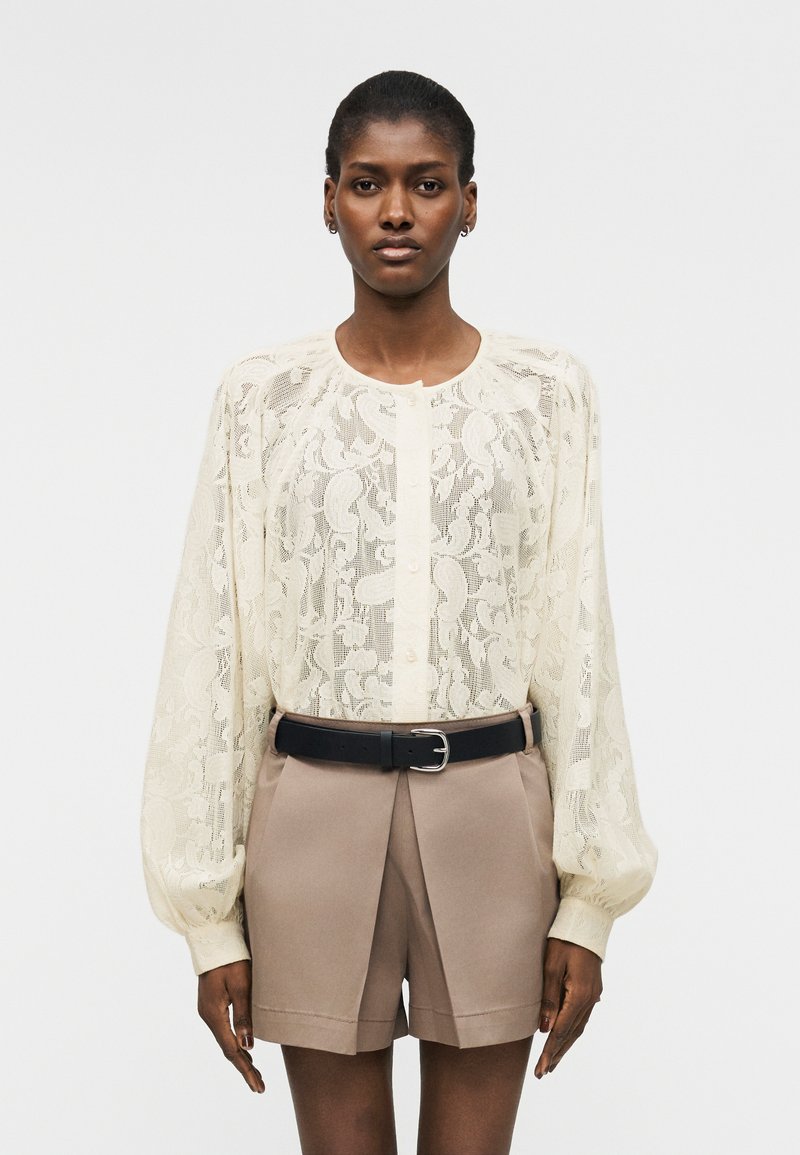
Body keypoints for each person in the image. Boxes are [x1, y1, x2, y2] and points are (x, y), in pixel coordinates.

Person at [140, 69, 658, 1155]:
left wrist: (588, 901)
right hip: (311, 813)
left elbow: (577, 638)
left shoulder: (545, 392)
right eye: (367, 182)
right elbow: (215, 643)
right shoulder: (262, 397)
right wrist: (208, 922)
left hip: (490, 808)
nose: (395, 211)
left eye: (426, 183)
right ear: (327, 199)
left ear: (469, 202)